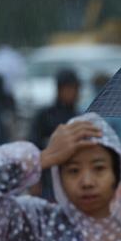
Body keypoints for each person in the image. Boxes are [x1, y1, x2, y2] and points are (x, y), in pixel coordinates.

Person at [28, 68, 81, 200]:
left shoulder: (79, 117)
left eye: (73, 89)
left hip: (73, 175)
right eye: (67, 89)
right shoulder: (45, 116)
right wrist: (34, 179)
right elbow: (34, 147)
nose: (71, 93)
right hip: (48, 176)